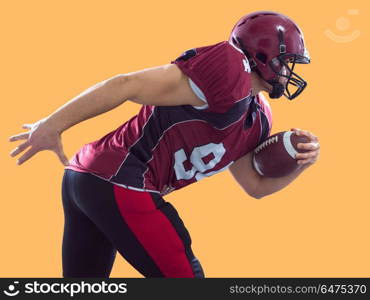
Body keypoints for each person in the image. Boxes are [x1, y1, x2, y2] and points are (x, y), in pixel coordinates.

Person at [9, 11, 320, 278]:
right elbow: (125, 84)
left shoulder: (259, 117)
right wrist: (52, 124)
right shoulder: (228, 69)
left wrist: (302, 164)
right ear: (262, 55)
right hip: (120, 180)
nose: (288, 72)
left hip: (88, 179)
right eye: (286, 61)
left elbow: (255, 185)